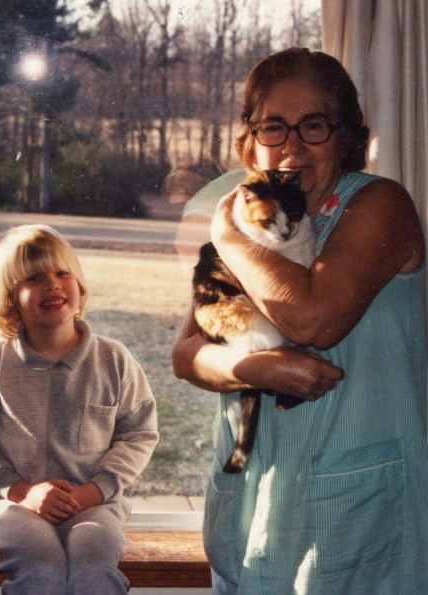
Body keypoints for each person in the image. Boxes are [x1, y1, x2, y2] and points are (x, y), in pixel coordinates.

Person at [172, 47, 428, 594]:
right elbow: (187, 354)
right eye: (273, 127)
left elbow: (314, 320)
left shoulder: (382, 204)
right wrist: (255, 369)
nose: (290, 146)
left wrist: (227, 236)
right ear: (251, 137)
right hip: (259, 495)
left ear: (345, 136)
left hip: (358, 509)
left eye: (313, 126)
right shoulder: (242, 212)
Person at [0, 224, 159, 595]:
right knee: (42, 570)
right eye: (34, 278)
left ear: (79, 287)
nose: (52, 284)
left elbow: (138, 434)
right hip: (16, 505)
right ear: (10, 300)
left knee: (93, 566)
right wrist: (22, 492)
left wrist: (94, 492)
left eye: (62, 273)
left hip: (95, 505)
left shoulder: (113, 359)